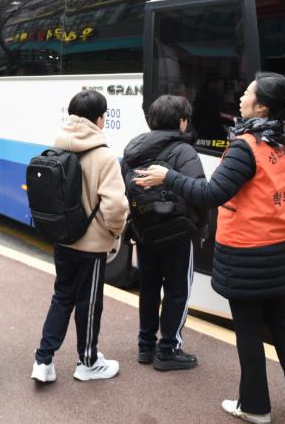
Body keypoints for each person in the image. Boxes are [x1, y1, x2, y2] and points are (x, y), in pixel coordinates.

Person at [134, 72, 285, 424]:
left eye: (247, 93)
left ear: (261, 106)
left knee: (249, 331)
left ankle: (255, 407)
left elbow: (211, 194)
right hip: (281, 250)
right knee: (282, 325)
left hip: (247, 251)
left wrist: (167, 177)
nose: (240, 96)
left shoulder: (246, 146)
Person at [31, 90, 129, 383]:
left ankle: (43, 361)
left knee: (62, 296)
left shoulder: (58, 147)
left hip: (63, 238)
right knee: (89, 302)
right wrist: (113, 232)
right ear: (100, 118)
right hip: (91, 244)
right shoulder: (104, 155)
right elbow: (115, 206)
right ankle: (88, 361)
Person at [122, 95, 206, 371]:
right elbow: (198, 193)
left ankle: (145, 346)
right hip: (177, 234)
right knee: (177, 291)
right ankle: (168, 349)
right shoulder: (184, 151)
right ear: (182, 122)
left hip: (145, 231)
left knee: (148, 288)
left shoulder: (134, 149)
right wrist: (198, 227)